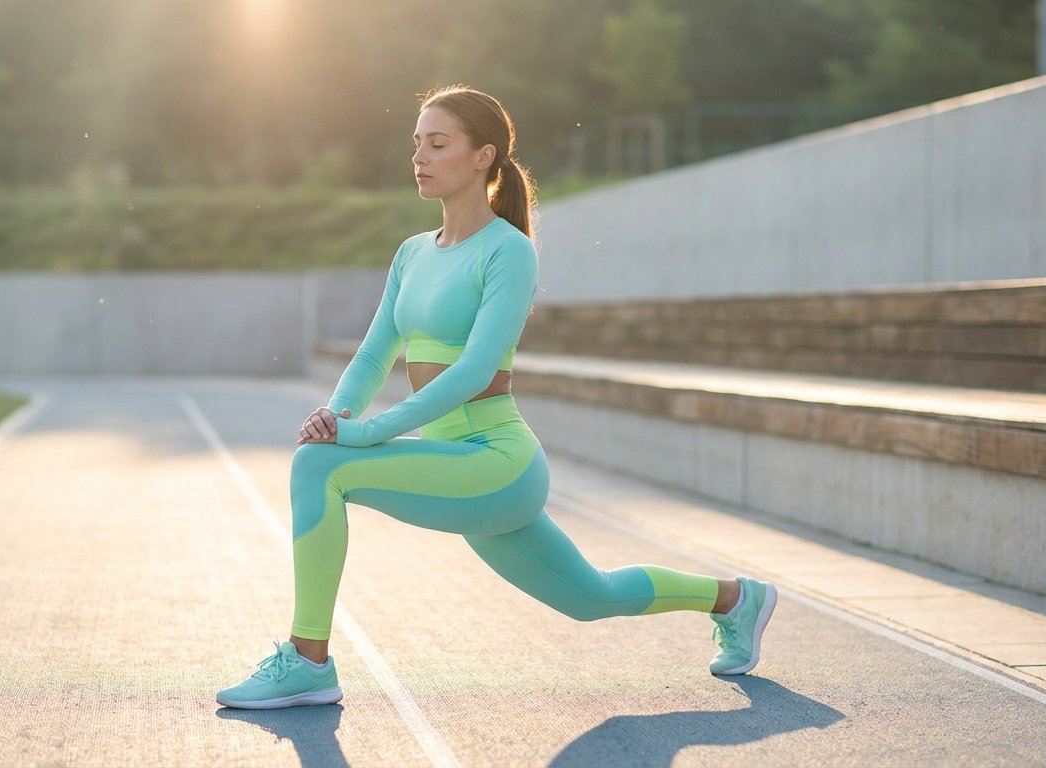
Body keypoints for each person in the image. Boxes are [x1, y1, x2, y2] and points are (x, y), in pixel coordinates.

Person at [216, 85, 777, 710]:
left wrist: (368, 434)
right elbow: (376, 354)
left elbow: (476, 368)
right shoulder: (412, 253)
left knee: (318, 467)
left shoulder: (510, 250)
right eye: (416, 144)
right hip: (454, 463)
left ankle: (308, 661)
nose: (420, 157)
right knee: (592, 598)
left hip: (495, 462)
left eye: (438, 143)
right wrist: (338, 414)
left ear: (483, 156)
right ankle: (736, 598)